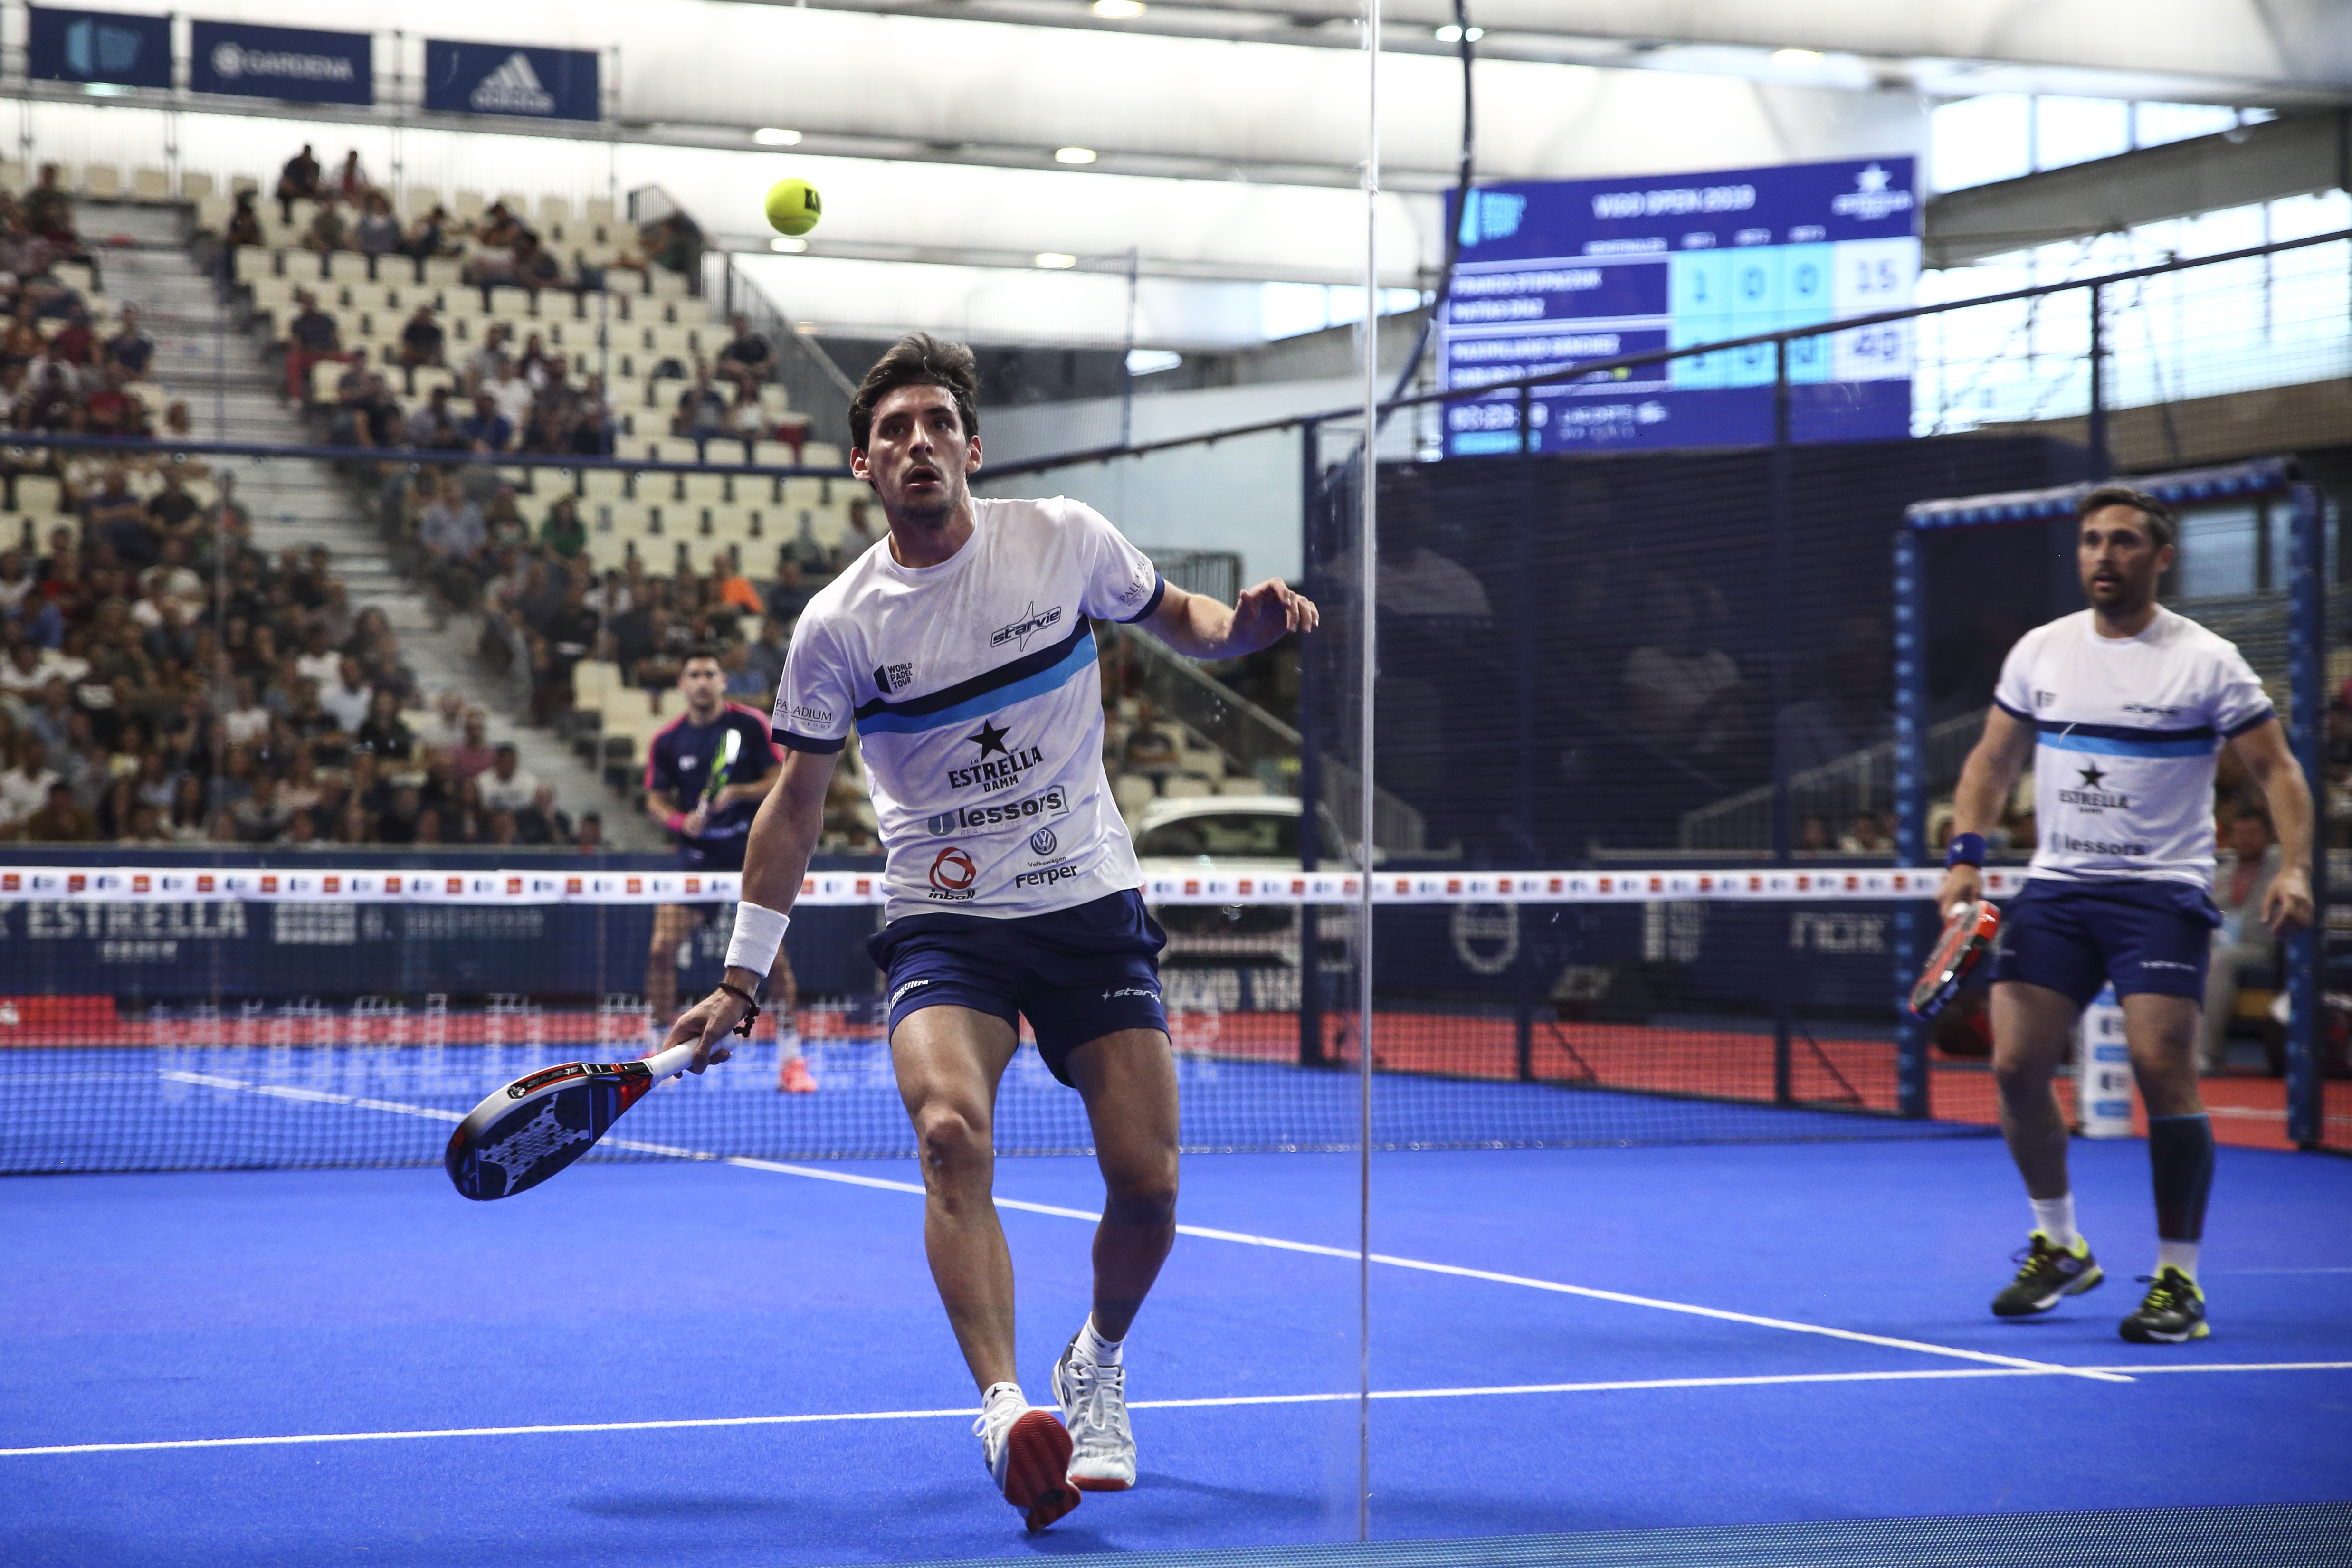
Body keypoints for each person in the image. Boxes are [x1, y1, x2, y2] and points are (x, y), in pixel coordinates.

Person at [660, 334, 1317, 1529]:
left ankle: (1099, 1361)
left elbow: (1184, 619)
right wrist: (742, 977)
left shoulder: (1062, 538)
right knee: (951, 1132)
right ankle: (1010, 1406)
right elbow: (794, 805)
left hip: (1086, 905)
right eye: (893, 430)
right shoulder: (838, 626)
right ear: (863, 463)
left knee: (1150, 1184)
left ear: (973, 446)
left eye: (936, 423)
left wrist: (1246, 627)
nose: (918, 442)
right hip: (945, 920)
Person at [1938, 485, 2315, 1346]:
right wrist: (1965, 853)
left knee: (2159, 1065)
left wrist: (2293, 866)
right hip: (2058, 890)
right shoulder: (2042, 652)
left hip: (2160, 893)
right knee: (2014, 1066)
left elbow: (2280, 771)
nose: (2102, 556)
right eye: (2090, 542)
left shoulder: (2208, 660)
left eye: (2121, 542)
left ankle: (2179, 1279)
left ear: (2159, 557)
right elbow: (1992, 763)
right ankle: (2061, 1244)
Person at [641, 647, 810, 1092]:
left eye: (709, 674)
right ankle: (660, 1050)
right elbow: (655, 800)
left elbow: (781, 777)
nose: (701, 681)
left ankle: (792, 1059)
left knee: (774, 963)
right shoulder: (667, 740)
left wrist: (737, 792)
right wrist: (681, 821)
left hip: (750, 857)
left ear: (722, 682)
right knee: (660, 950)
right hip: (696, 861)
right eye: (693, 674)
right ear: (682, 684)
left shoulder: (750, 724)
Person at [2200, 807, 2282, 1074]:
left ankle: (2208, 1054)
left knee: (2218, 960)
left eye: (2253, 833)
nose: (2246, 839)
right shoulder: (2222, 874)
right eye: (2240, 833)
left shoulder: (2280, 866)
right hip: (2224, 946)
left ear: (2268, 835)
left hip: (2268, 948)